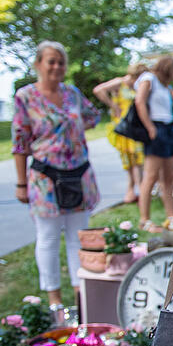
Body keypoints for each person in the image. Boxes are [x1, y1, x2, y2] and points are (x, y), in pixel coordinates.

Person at [12, 41, 101, 307]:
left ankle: (80, 297)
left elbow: (93, 116)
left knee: (78, 237)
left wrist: (70, 133)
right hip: (46, 178)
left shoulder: (72, 93)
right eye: (51, 61)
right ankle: (55, 301)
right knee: (48, 237)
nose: (56, 67)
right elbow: (20, 142)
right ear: (38, 64)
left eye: (61, 62)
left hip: (78, 173)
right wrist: (20, 183)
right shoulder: (26, 97)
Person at [134, 56, 173, 232]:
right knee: (151, 176)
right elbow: (139, 101)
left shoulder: (165, 85)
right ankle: (144, 220)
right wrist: (149, 127)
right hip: (156, 128)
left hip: (169, 128)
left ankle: (171, 217)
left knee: (168, 177)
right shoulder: (149, 79)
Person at [92, 63, 148, 204]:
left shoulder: (136, 86)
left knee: (137, 160)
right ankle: (137, 191)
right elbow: (98, 90)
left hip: (134, 128)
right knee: (129, 161)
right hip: (123, 128)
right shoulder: (120, 82)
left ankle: (137, 191)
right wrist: (113, 106)